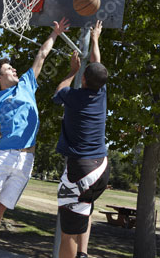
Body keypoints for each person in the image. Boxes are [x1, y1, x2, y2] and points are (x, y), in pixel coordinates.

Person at [0, 17, 70, 258]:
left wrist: (55, 34)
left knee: (1, 207)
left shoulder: (27, 83)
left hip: (26, 161)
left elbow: (41, 56)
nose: (14, 69)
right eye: (9, 68)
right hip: (4, 155)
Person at [53, 20, 110, 258]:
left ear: (84, 79)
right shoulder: (101, 93)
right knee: (84, 208)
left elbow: (58, 93)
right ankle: (84, 254)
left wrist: (72, 71)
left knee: (66, 232)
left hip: (82, 170)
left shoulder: (72, 96)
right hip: (102, 168)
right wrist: (95, 39)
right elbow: (97, 64)